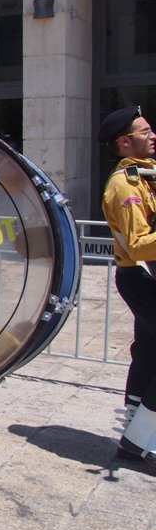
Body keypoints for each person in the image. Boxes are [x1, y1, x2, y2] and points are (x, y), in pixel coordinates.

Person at [99, 105, 156, 468]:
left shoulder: (147, 175)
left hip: (147, 276)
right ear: (125, 141)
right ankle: (140, 438)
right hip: (140, 276)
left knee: (149, 350)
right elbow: (137, 243)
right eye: (145, 131)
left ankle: (135, 432)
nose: (152, 135)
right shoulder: (125, 184)